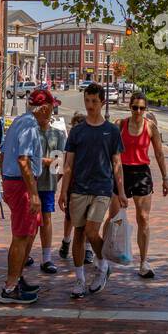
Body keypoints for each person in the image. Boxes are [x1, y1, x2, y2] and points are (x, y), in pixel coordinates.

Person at [58, 83, 127, 299]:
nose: (90, 106)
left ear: (102, 102)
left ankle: (102, 265)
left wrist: (121, 191)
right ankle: (79, 279)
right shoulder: (78, 131)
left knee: (91, 230)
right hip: (79, 188)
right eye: (87, 101)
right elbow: (68, 164)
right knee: (78, 233)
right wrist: (63, 191)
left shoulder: (112, 131)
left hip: (102, 188)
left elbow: (117, 163)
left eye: (94, 102)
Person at [0, 90, 53, 304]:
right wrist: (33, 193)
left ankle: (17, 278)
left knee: (29, 232)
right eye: (51, 107)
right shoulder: (29, 127)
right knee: (21, 236)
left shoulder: (20, 121)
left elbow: (3, 153)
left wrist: (4, 180)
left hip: (14, 182)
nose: (52, 113)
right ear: (45, 108)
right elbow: (23, 161)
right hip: (21, 185)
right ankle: (10, 287)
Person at [116, 92, 168, 279]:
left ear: (146, 109)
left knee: (143, 218)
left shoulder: (150, 127)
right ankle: (105, 256)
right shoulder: (120, 125)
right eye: (135, 107)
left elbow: (160, 154)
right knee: (114, 217)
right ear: (129, 107)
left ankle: (143, 262)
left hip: (141, 173)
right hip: (121, 171)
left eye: (141, 108)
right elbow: (110, 152)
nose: (138, 111)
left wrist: (165, 178)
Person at [58, 111, 94, 267]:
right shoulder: (71, 142)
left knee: (87, 219)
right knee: (70, 217)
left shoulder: (92, 141)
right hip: (73, 185)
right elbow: (65, 165)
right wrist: (62, 189)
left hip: (89, 185)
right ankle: (66, 241)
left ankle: (87, 249)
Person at [35, 95, 67, 274]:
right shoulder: (30, 132)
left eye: (49, 109)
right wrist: (47, 161)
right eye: (42, 109)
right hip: (29, 183)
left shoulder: (58, 134)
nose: (46, 113)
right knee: (30, 220)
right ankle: (25, 253)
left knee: (46, 219)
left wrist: (42, 162)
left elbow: (58, 164)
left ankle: (46, 258)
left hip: (47, 184)